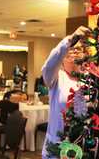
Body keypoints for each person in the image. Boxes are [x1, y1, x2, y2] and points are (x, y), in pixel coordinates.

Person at [41, 26, 90, 159]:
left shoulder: (90, 79)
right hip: (57, 148)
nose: (74, 51)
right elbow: (49, 65)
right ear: (61, 59)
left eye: (78, 49)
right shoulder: (56, 78)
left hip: (86, 147)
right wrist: (69, 41)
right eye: (70, 49)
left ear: (85, 55)